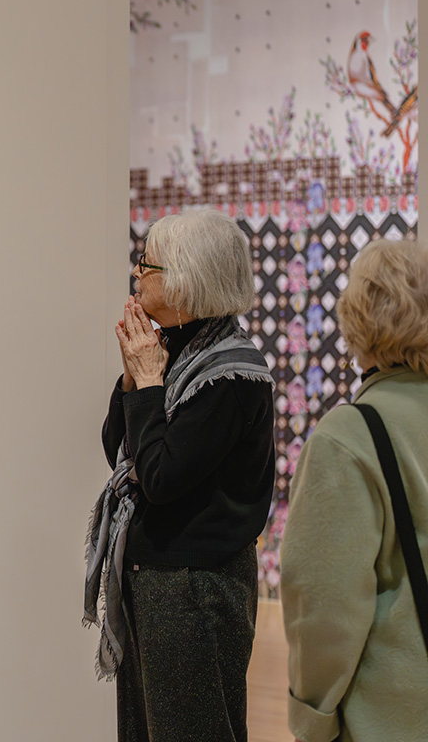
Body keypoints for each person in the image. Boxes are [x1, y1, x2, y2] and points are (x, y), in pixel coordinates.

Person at [85, 208, 275, 742]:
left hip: (195, 589)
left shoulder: (230, 374)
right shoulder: (174, 350)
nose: (137, 273)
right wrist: (134, 377)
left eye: (148, 265)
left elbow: (161, 477)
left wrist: (146, 385)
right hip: (159, 582)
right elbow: (116, 449)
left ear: (187, 282)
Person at [280, 238, 428, 742]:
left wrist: (313, 719)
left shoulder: (350, 438)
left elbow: (323, 606)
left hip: (391, 718)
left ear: (356, 321)